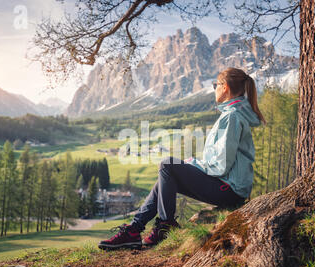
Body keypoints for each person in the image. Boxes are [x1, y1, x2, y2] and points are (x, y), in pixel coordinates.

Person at [98, 67, 267, 250]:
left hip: (229, 190)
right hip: (229, 187)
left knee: (167, 165)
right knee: (167, 176)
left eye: (215, 85)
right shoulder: (233, 114)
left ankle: (164, 225)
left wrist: (193, 164)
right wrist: (193, 164)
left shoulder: (232, 117)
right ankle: (134, 229)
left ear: (224, 87)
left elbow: (220, 166)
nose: (214, 89)